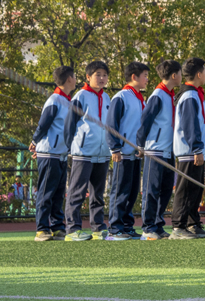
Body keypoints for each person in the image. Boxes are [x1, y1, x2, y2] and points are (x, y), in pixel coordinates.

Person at [64, 61, 112, 241]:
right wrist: (69, 148)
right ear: (88, 77)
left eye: (105, 75)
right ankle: (72, 229)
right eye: (98, 74)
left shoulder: (107, 98)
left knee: (98, 193)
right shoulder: (81, 96)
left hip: (103, 154)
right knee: (77, 192)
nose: (102, 78)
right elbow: (69, 124)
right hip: (83, 153)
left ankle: (98, 227)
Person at [138, 59, 182, 241]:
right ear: (173, 75)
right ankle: (148, 227)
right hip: (155, 151)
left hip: (169, 151)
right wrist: (140, 145)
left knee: (165, 190)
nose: (181, 77)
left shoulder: (172, 95)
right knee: (151, 190)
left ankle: (158, 224)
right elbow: (145, 121)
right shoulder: (157, 95)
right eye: (180, 73)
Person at [30, 66, 75, 242]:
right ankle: (42, 229)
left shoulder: (67, 100)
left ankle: (57, 227)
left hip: (61, 153)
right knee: (46, 192)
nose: (76, 79)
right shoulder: (55, 100)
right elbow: (44, 124)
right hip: (50, 153)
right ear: (69, 79)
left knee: (58, 192)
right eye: (75, 76)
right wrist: (34, 142)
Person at [107, 62, 150, 240]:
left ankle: (127, 225)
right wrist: (115, 148)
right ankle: (115, 228)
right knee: (120, 190)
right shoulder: (121, 97)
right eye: (145, 76)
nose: (147, 79)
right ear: (134, 77)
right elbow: (111, 125)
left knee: (132, 191)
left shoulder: (141, 99)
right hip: (122, 153)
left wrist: (142, 146)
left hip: (136, 153)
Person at [170, 57, 205, 240]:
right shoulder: (189, 96)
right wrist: (196, 149)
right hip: (189, 152)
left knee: (195, 189)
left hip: (196, 151)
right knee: (185, 189)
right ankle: (178, 226)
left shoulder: (196, 94)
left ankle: (192, 223)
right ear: (199, 74)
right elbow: (190, 126)